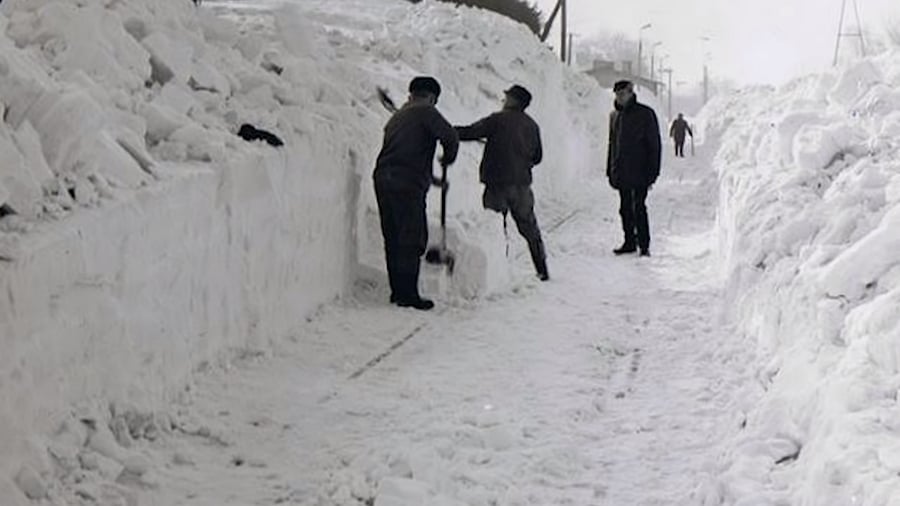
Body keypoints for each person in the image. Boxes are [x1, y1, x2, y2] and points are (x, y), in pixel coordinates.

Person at [373, 76, 459, 310]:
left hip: (383, 178)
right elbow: (450, 137)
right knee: (411, 238)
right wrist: (448, 156)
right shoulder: (426, 111)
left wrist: (432, 179)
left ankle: (397, 291)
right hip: (406, 183)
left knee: (393, 236)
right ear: (432, 97)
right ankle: (408, 295)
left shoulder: (399, 116)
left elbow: (403, 154)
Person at [456, 85, 548, 281]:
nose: (504, 100)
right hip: (522, 186)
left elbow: (471, 132)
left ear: (514, 100)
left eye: (507, 97)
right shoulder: (532, 125)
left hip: (497, 184)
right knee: (530, 229)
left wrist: (447, 132)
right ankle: (542, 269)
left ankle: (499, 272)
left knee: (495, 229)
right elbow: (538, 157)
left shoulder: (497, 120)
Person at [606, 80, 661, 257]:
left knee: (639, 207)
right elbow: (612, 145)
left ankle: (644, 245)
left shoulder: (645, 114)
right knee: (624, 209)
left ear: (631, 93)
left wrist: (652, 173)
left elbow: (654, 146)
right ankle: (629, 241)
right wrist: (610, 169)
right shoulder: (615, 116)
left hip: (640, 172)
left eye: (623, 94)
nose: (619, 97)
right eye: (617, 94)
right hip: (621, 171)